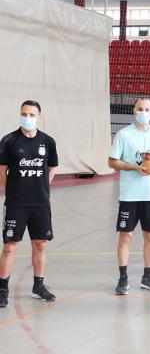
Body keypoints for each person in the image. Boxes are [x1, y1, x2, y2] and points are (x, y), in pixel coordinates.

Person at [0, 100, 58, 308]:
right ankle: (2, 289)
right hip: (16, 203)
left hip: (40, 203)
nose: (28, 117)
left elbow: (51, 168)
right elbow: (2, 170)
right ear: (20, 115)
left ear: (38, 117)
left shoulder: (48, 141)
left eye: (32, 114)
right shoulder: (9, 140)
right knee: (9, 246)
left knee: (40, 244)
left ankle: (38, 286)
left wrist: (43, 187)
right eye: (24, 113)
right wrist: (15, 190)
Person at [108, 97, 150, 295]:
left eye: (147, 109)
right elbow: (112, 161)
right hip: (129, 195)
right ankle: (123, 278)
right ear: (134, 110)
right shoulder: (124, 134)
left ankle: (147, 276)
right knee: (126, 236)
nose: (143, 112)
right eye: (140, 108)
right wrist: (134, 167)